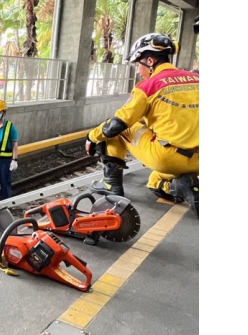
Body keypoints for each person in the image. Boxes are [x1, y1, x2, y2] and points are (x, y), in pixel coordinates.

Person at [85, 32, 199, 216]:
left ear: (150, 61)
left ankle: (110, 184)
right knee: (154, 181)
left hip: (167, 158)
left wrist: (91, 137)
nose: (138, 71)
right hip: (199, 161)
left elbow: (117, 125)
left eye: (138, 65)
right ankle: (181, 186)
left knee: (115, 129)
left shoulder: (147, 87)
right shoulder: (198, 80)